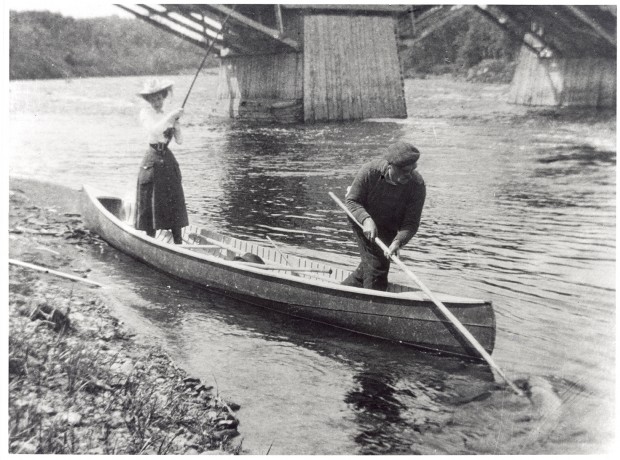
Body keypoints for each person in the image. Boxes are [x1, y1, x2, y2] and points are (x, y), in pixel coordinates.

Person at [342, 141, 426, 291]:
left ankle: (341, 293)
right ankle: (370, 310)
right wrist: (366, 220)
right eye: (405, 171)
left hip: (389, 223)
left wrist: (398, 241)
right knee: (377, 268)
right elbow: (352, 201)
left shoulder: (417, 185)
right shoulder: (370, 172)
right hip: (362, 217)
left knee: (373, 264)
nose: (410, 175)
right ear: (390, 166)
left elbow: (411, 223)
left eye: (412, 170)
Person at [134, 78, 189, 244]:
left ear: (163, 98)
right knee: (151, 198)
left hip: (167, 158)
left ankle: (178, 240)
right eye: (153, 99)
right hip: (152, 160)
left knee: (174, 196)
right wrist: (172, 116)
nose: (157, 102)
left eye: (159, 98)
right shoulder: (145, 114)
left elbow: (179, 141)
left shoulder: (166, 115)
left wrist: (177, 125)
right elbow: (154, 129)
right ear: (148, 100)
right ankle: (149, 239)